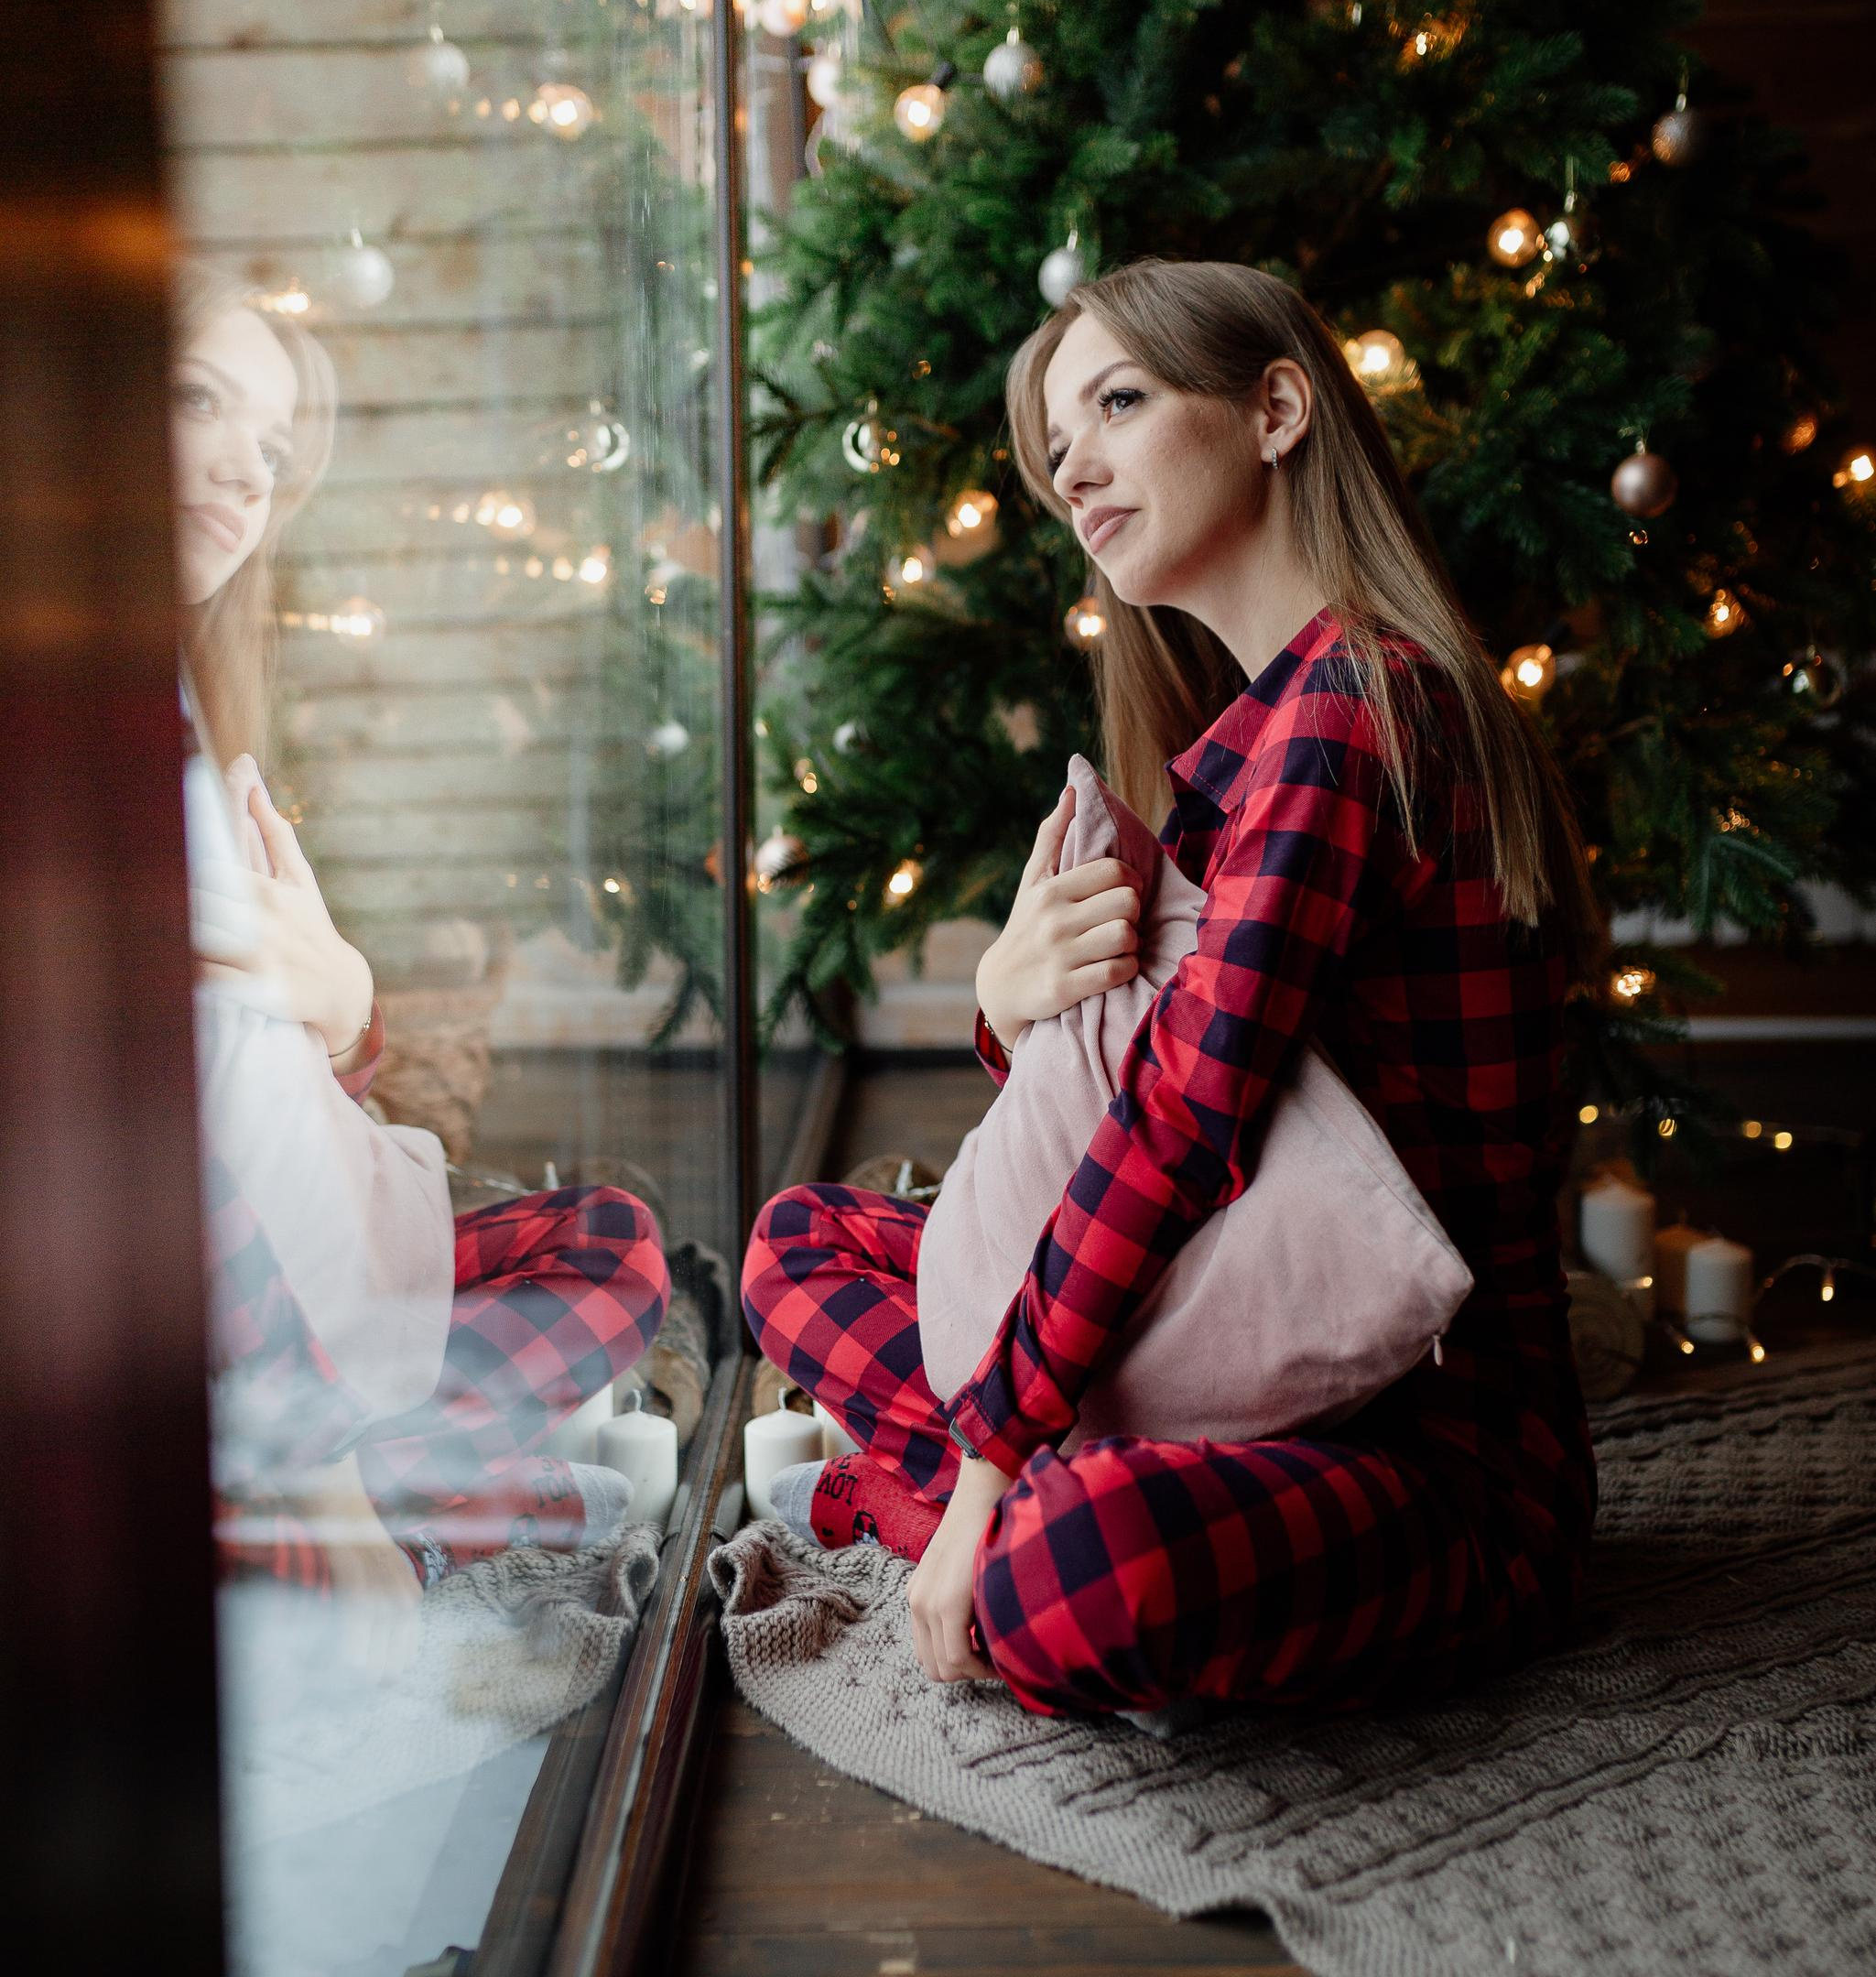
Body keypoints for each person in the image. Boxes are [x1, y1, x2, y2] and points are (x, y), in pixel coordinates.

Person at [743, 256, 1603, 1724]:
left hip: (1423, 1453)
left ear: (1275, 410)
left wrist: (985, 1481)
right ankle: (1007, 1488)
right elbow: (1146, 1116)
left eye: (1117, 405)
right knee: (801, 1242)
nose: (1072, 466)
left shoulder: (1351, 718)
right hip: (1238, 1339)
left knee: (1061, 1576)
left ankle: (944, 1505)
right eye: (1052, 447)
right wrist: (1012, 1009)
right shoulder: (1249, 740)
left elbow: (1180, 1130)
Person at [171, 264, 668, 1656]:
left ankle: (375, 1490)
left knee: (616, 1245)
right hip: (245, 1325)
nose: (242, 469)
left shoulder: (194, 713)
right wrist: (326, 1461)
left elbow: (280, 1036)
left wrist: (344, 1015)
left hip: (315, 1254)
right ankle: (348, 1498)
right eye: (196, 400)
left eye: (270, 450)